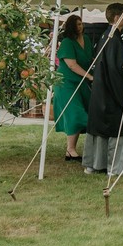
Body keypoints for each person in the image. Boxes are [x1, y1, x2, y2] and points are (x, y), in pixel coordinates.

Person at [84, 2, 123, 176]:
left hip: (101, 90)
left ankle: (95, 163)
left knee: (100, 128)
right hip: (112, 92)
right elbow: (116, 70)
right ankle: (116, 167)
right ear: (117, 17)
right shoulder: (114, 39)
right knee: (122, 124)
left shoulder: (105, 36)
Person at [52, 14, 93, 161]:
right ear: (71, 26)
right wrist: (89, 76)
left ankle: (70, 150)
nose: (80, 27)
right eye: (77, 24)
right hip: (66, 83)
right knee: (75, 113)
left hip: (81, 82)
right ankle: (71, 149)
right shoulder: (67, 42)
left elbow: (90, 59)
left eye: (81, 24)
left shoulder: (87, 40)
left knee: (80, 113)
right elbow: (72, 65)